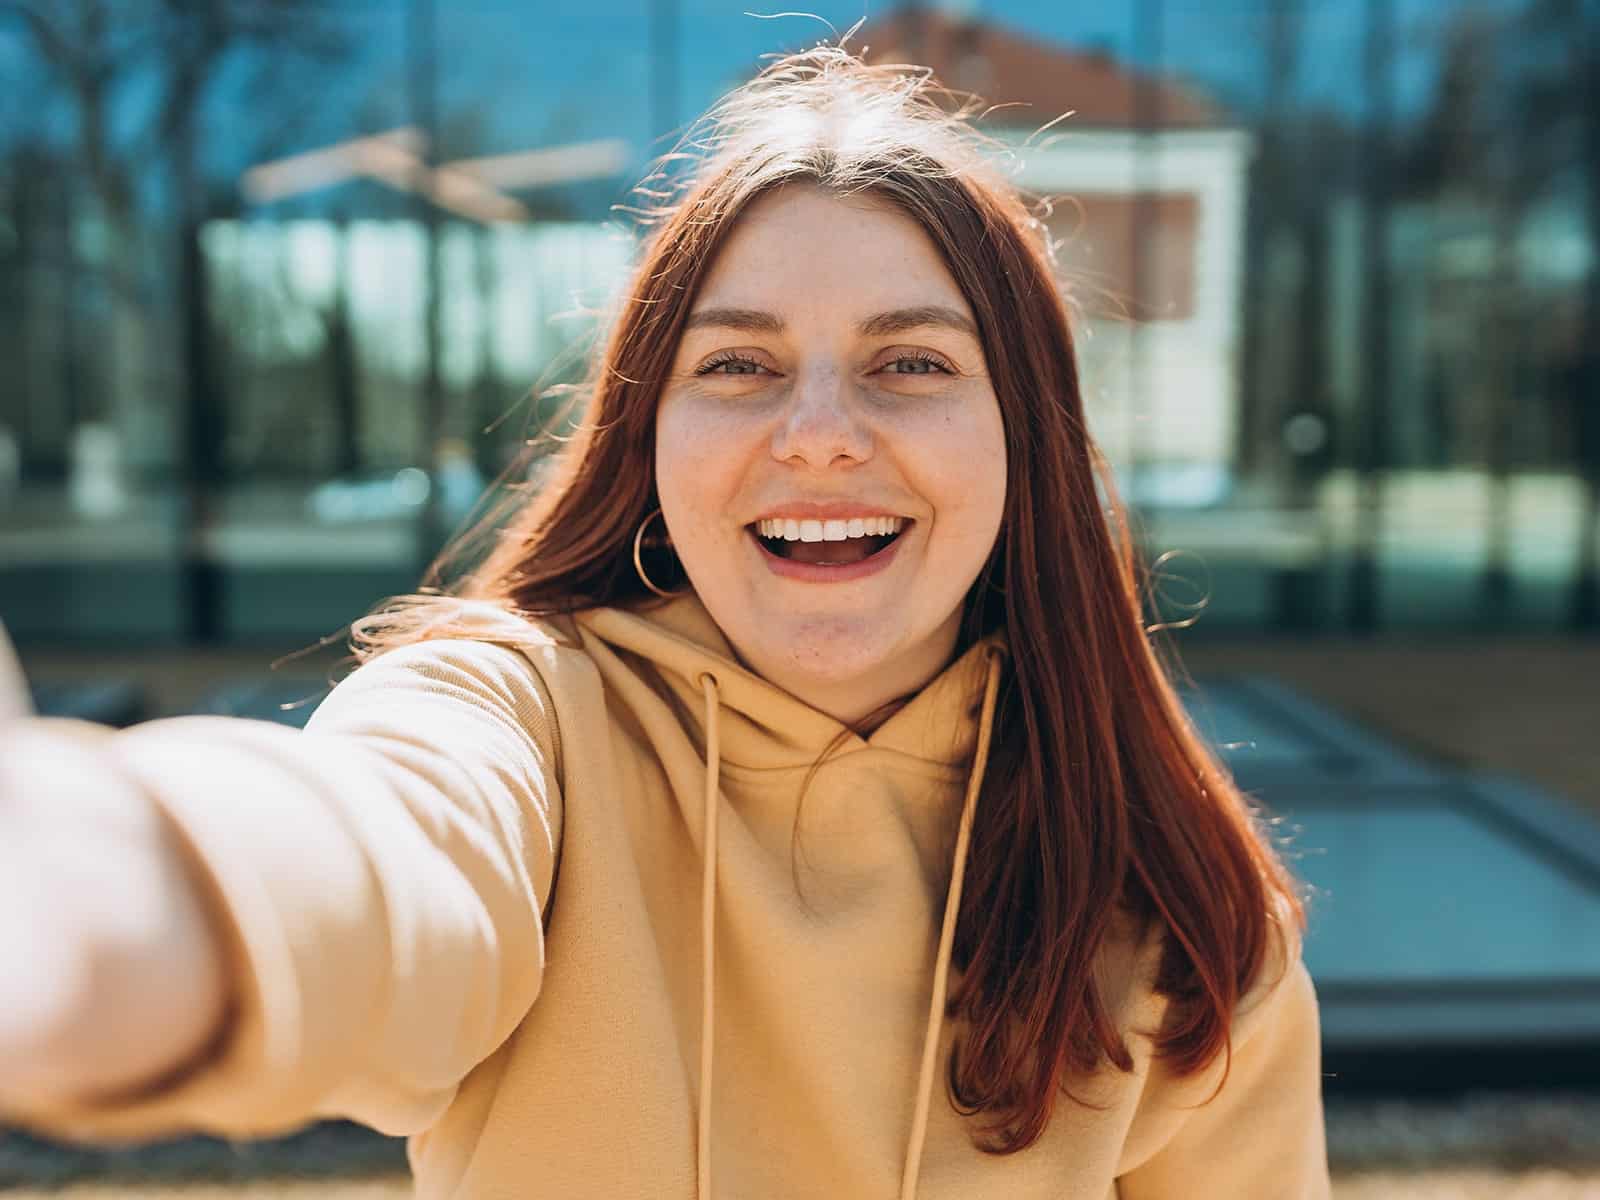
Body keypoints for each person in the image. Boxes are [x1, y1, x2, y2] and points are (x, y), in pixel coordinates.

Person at [0, 43, 1330, 1200]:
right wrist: (90, 875)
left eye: (909, 363)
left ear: (1026, 440)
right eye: (738, 364)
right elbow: (381, 854)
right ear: (650, 434)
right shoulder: (521, 719)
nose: (817, 436)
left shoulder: (1181, 906)